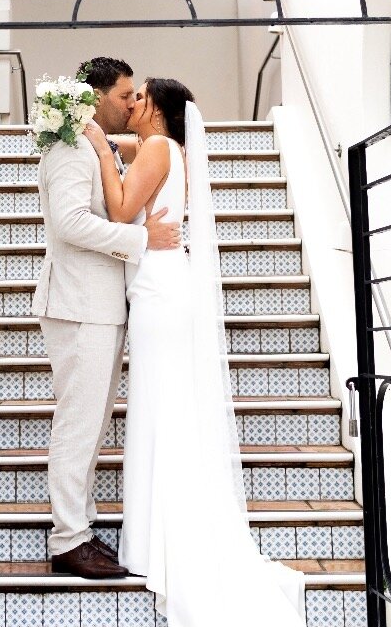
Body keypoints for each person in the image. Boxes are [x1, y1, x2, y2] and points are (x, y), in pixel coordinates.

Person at [81, 78, 306, 627]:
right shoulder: (168, 147)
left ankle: (160, 542)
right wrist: (101, 138)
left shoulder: (159, 148)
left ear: (157, 108)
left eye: (139, 99)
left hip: (160, 291)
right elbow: (128, 150)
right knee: (162, 409)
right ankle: (155, 537)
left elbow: (118, 208)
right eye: (128, 97)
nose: (130, 104)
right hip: (161, 286)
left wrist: (92, 137)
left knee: (161, 411)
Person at [32, 56, 184, 578]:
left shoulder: (89, 141)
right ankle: (68, 540)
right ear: (96, 95)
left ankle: (79, 529)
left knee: (92, 424)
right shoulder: (68, 146)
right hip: (78, 305)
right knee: (79, 424)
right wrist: (142, 239)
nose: (130, 103)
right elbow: (72, 222)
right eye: (123, 95)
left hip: (100, 305)